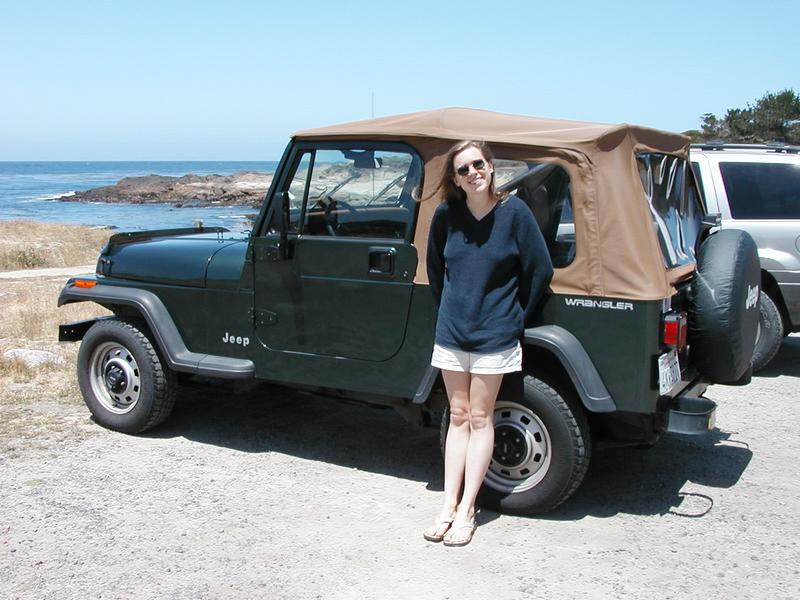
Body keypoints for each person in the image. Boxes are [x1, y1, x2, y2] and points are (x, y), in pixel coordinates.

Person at [424, 140, 553, 546]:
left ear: (492, 167)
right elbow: (435, 269)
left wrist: (515, 316)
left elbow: (540, 269)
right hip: (452, 334)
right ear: (456, 179)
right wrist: (451, 309)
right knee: (457, 417)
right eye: (463, 169)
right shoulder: (447, 215)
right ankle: (447, 505)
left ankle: (468, 510)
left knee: (481, 419)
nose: (473, 173)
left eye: (478, 164)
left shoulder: (514, 214)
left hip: (495, 335)